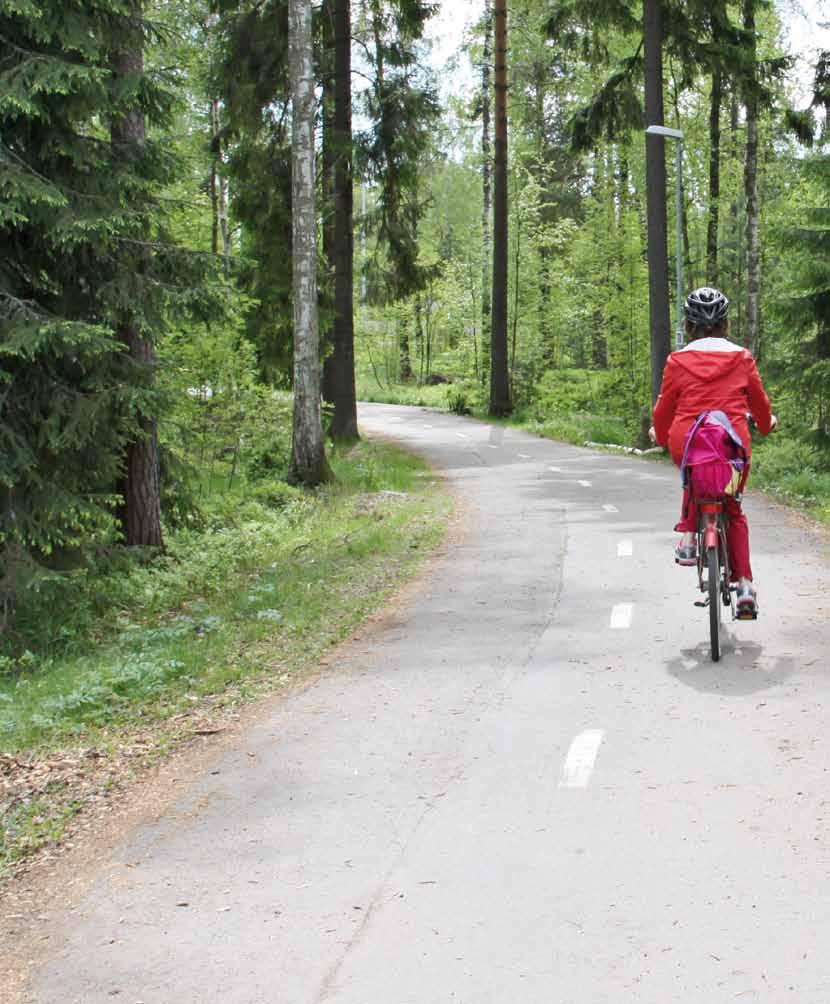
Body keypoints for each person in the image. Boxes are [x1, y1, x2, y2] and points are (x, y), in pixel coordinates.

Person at [649, 287, 776, 617]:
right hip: (732, 445)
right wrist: (766, 424)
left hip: (688, 442)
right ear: (726, 324)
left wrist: (661, 436)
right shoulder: (741, 358)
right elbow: (760, 405)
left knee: (694, 476)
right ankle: (745, 584)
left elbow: (664, 409)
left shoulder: (677, 361)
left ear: (689, 327)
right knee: (732, 508)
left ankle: (690, 537)